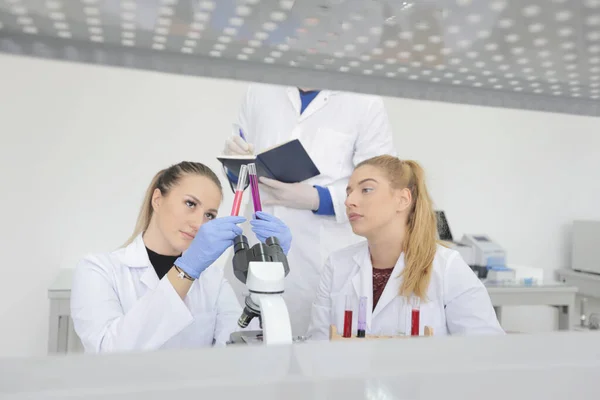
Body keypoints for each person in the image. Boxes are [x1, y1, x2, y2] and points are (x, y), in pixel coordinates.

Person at [223, 84, 397, 336]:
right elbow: (236, 170)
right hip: (253, 248)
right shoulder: (259, 88)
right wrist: (234, 164)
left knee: (309, 355)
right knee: (238, 346)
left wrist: (317, 198)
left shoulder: (364, 101)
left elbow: (382, 185)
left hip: (317, 257)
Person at [70, 161, 292, 353]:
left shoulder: (212, 280)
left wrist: (265, 279)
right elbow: (109, 353)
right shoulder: (98, 270)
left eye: (209, 215)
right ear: (157, 199)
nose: (198, 223)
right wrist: (186, 270)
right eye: (190, 204)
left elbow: (239, 348)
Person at [307, 155, 504, 339]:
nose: (349, 201)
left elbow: (485, 353)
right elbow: (318, 347)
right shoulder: (337, 265)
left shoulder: (447, 267)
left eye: (366, 190)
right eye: (348, 192)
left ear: (403, 200)